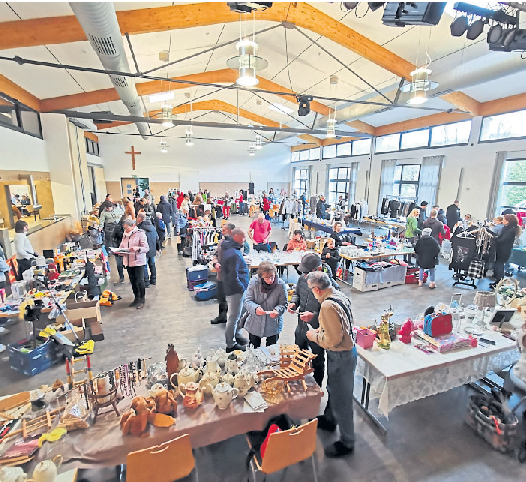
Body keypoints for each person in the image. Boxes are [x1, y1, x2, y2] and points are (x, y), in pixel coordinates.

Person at [305, 271, 356, 458]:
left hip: (340, 355)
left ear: (317, 289)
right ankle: (329, 419)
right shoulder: (338, 294)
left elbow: (333, 339)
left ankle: (347, 441)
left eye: (311, 290)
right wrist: (320, 328)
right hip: (346, 353)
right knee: (333, 390)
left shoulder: (326, 305)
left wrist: (314, 336)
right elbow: (339, 325)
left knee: (342, 399)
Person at [288, 253, 339, 387]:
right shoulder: (303, 279)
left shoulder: (330, 288)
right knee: (299, 354)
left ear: (318, 269)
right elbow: (297, 293)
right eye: (303, 272)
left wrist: (314, 317)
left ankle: (316, 387)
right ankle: (299, 379)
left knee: (317, 359)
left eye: (307, 272)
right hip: (302, 327)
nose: (304, 275)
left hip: (318, 331)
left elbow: (333, 312)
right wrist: (294, 303)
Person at [244, 261, 287, 348]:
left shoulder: (281, 285)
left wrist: (277, 310)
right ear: (261, 277)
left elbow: (284, 304)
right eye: (266, 278)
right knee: (254, 349)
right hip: (255, 322)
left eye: (272, 277)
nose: (270, 280)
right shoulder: (253, 282)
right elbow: (248, 301)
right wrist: (255, 309)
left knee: (272, 350)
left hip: (273, 323)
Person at [221, 228, 250, 352]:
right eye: (243, 237)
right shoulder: (233, 253)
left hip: (235, 289)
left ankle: (237, 335)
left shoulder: (231, 249)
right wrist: (241, 288)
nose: (244, 240)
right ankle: (230, 344)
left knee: (237, 315)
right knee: (233, 317)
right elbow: (233, 275)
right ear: (236, 236)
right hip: (235, 290)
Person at [119, 218, 149, 309]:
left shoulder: (140, 234)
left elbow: (146, 248)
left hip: (138, 261)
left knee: (140, 281)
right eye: (124, 228)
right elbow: (122, 246)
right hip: (128, 262)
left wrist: (138, 248)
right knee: (133, 281)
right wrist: (120, 251)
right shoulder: (124, 235)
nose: (126, 230)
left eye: (127, 228)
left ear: (132, 226)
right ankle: (136, 298)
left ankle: (142, 299)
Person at [211, 222, 235, 325]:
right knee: (221, 297)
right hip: (221, 276)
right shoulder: (221, 242)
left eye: (224, 230)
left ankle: (232, 319)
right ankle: (222, 316)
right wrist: (215, 263)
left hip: (231, 277)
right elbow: (215, 255)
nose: (222, 231)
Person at [493, 214, 520, 285]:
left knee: (500, 266)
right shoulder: (507, 228)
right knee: (498, 265)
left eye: (505, 219)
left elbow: (502, 240)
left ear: (508, 221)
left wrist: (494, 239)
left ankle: (499, 282)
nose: (503, 221)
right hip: (501, 249)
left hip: (504, 251)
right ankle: (497, 281)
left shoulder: (511, 230)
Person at [136, 212, 158, 287]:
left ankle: (146, 282)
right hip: (152, 249)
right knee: (152, 264)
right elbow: (157, 238)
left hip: (143, 250)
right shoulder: (152, 227)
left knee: (144, 266)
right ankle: (154, 280)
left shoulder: (139, 228)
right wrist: (158, 248)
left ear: (140, 219)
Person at [113, 215, 126, 284]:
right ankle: (122, 277)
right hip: (119, 247)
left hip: (122, 247)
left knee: (122, 263)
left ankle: (122, 277)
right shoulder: (118, 227)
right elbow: (114, 236)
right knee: (120, 263)